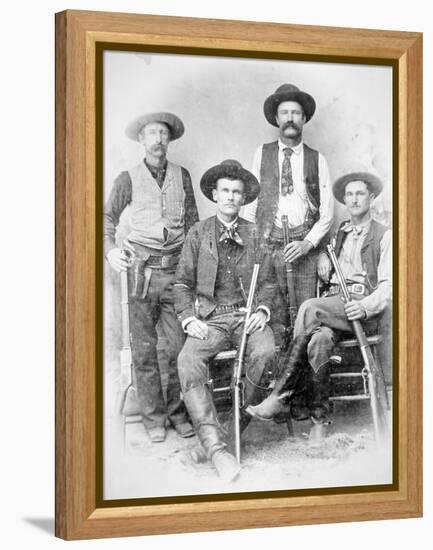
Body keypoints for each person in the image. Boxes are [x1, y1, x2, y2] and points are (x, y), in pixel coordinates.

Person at [246, 171, 392, 439]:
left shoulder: (385, 235)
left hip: (360, 309)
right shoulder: (342, 232)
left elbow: (389, 287)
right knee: (318, 341)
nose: (354, 199)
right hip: (334, 306)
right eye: (349, 195)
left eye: (360, 193)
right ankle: (319, 422)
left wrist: (365, 307)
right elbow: (332, 265)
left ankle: (282, 394)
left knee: (309, 308)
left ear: (371, 197)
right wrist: (325, 255)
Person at [174, 160, 277, 482]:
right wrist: (189, 318)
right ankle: (218, 451)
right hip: (212, 319)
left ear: (243, 198)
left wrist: (261, 311)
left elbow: (269, 283)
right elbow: (181, 284)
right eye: (225, 191)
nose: (231, 197)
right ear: (215, 195)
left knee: (265, 353)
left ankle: (219, 440)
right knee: (188, 360)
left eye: (237, 192)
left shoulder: (256, 232)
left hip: (246, 316)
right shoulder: (198, 233)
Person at [104, 111, 199, 443]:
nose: (158, 139)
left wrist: (191, 268)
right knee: (144, 350)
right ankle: (153, 418)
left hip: (175, 272)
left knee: (178, 347)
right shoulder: (127, 178)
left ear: (169, 140)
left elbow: (193, 226)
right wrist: (110, 250)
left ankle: (178, 413)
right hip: (140, 274)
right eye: (152, 134)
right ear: (142, 140)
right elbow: (105, 218)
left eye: (163, 133)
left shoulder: (182, 175)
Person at [242, 83, 334, 338]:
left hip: (303, 249)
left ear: (304, 118)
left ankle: (301, 378)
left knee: (305, 316)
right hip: (269, 247)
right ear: (276, 118)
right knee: (273, 313)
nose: (290, 118)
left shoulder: (318, 159)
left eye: (295, 113)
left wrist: (307, 244)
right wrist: (252, 245)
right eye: (285, 113)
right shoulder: (262, 153)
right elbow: (251, 204)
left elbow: (327, 214)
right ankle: (278, 378)